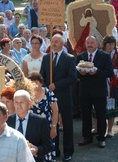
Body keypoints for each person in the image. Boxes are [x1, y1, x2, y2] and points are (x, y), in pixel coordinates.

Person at [40, 33, 77, 161]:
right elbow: (41, 77)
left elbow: (73, 78)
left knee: (67, 124)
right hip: (49, 97)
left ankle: (68, 151)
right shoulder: (46, 58)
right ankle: (54, 150)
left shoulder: (69, 58)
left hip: (64, 96)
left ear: (62, 44)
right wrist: (45, 87)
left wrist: (57, 85)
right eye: (52, 41)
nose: (53, 43)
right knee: (51, 124)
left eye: (56, 41)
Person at [76, 36, 113, 148]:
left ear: (97, 44)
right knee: (85, 115)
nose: (90, 44)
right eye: (88, 42)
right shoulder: (81, 56)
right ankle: (86, 137)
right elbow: (74, 72)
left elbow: (109, 72)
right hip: (85, 91)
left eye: (92, 42)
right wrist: (80, 74)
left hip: (99, 91)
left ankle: (101, 138)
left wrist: (96, 72)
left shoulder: (105, 56)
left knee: (101, 114)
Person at [92, 35, 118, 138]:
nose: (111, 46)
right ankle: (96, 128)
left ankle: (110, 130)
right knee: (96, 106)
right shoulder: (99, 52)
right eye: (109, 44)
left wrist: (115, 72)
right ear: (105, 44)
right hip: (100, 81)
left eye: (113, 44)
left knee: (112, 108)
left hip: (113, 84)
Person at [7, 90, 52, 162]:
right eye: (16, 102)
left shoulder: (40, 121)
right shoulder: (7, 121)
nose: (19, 106)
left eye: (22, 102)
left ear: (29, 103)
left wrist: (37, 150)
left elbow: (48, 146)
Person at [29, 72, 58, 161]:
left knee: (47, 148)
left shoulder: (48, 93)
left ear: (41, 82)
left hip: (46, 126)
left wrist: (53, 127)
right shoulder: (28, 94)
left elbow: (55, 111)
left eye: (36, 82)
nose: (34, 85)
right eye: (32, 82)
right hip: (33, 127)